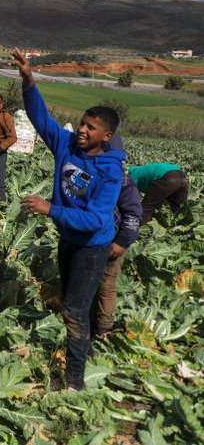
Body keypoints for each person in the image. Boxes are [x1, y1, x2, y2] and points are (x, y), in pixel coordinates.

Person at [12, 49, 124, 391]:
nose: (81, 130)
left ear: (106, 136)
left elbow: (94, 219)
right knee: (73, 302)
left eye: (91, 127)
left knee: (74, 310)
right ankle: (82, 352)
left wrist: (51, 209)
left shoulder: (110, 171)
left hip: (93, 246)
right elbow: (41, 118)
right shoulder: (67, 146)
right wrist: (29, 79)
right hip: (68, 239)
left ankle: (75, 382)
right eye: (82, 123)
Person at [90, 134, 143, 341]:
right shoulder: (86, 174)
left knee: (106, 285)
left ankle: (103, 328)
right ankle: (86, 320)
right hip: (87, 240)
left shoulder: (122, 180)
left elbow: (133, 214)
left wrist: (121, 242)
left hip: (111, 242)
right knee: (87, 282)